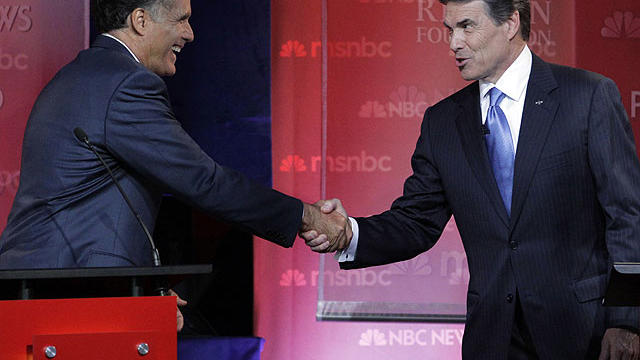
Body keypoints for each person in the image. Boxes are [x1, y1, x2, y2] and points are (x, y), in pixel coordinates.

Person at [302, 0, 640, 358]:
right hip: (492, 338)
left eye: (466, 26)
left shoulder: (586, 97)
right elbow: (416, 222)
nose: (453, 43)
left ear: (510, 23)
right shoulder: (443, 122)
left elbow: (630, 218)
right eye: (450, 29)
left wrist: (628, 320)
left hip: (583, 333)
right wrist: (349, 233)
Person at [0, 0, 350, 269]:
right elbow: (203, 181)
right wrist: (306, 216)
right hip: (73, 290)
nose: (190, 33)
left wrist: (147, 292)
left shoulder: (78, 76)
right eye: (181, 19)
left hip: (49, 278)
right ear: (140, 21)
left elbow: (92, 199)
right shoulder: (126, 84)